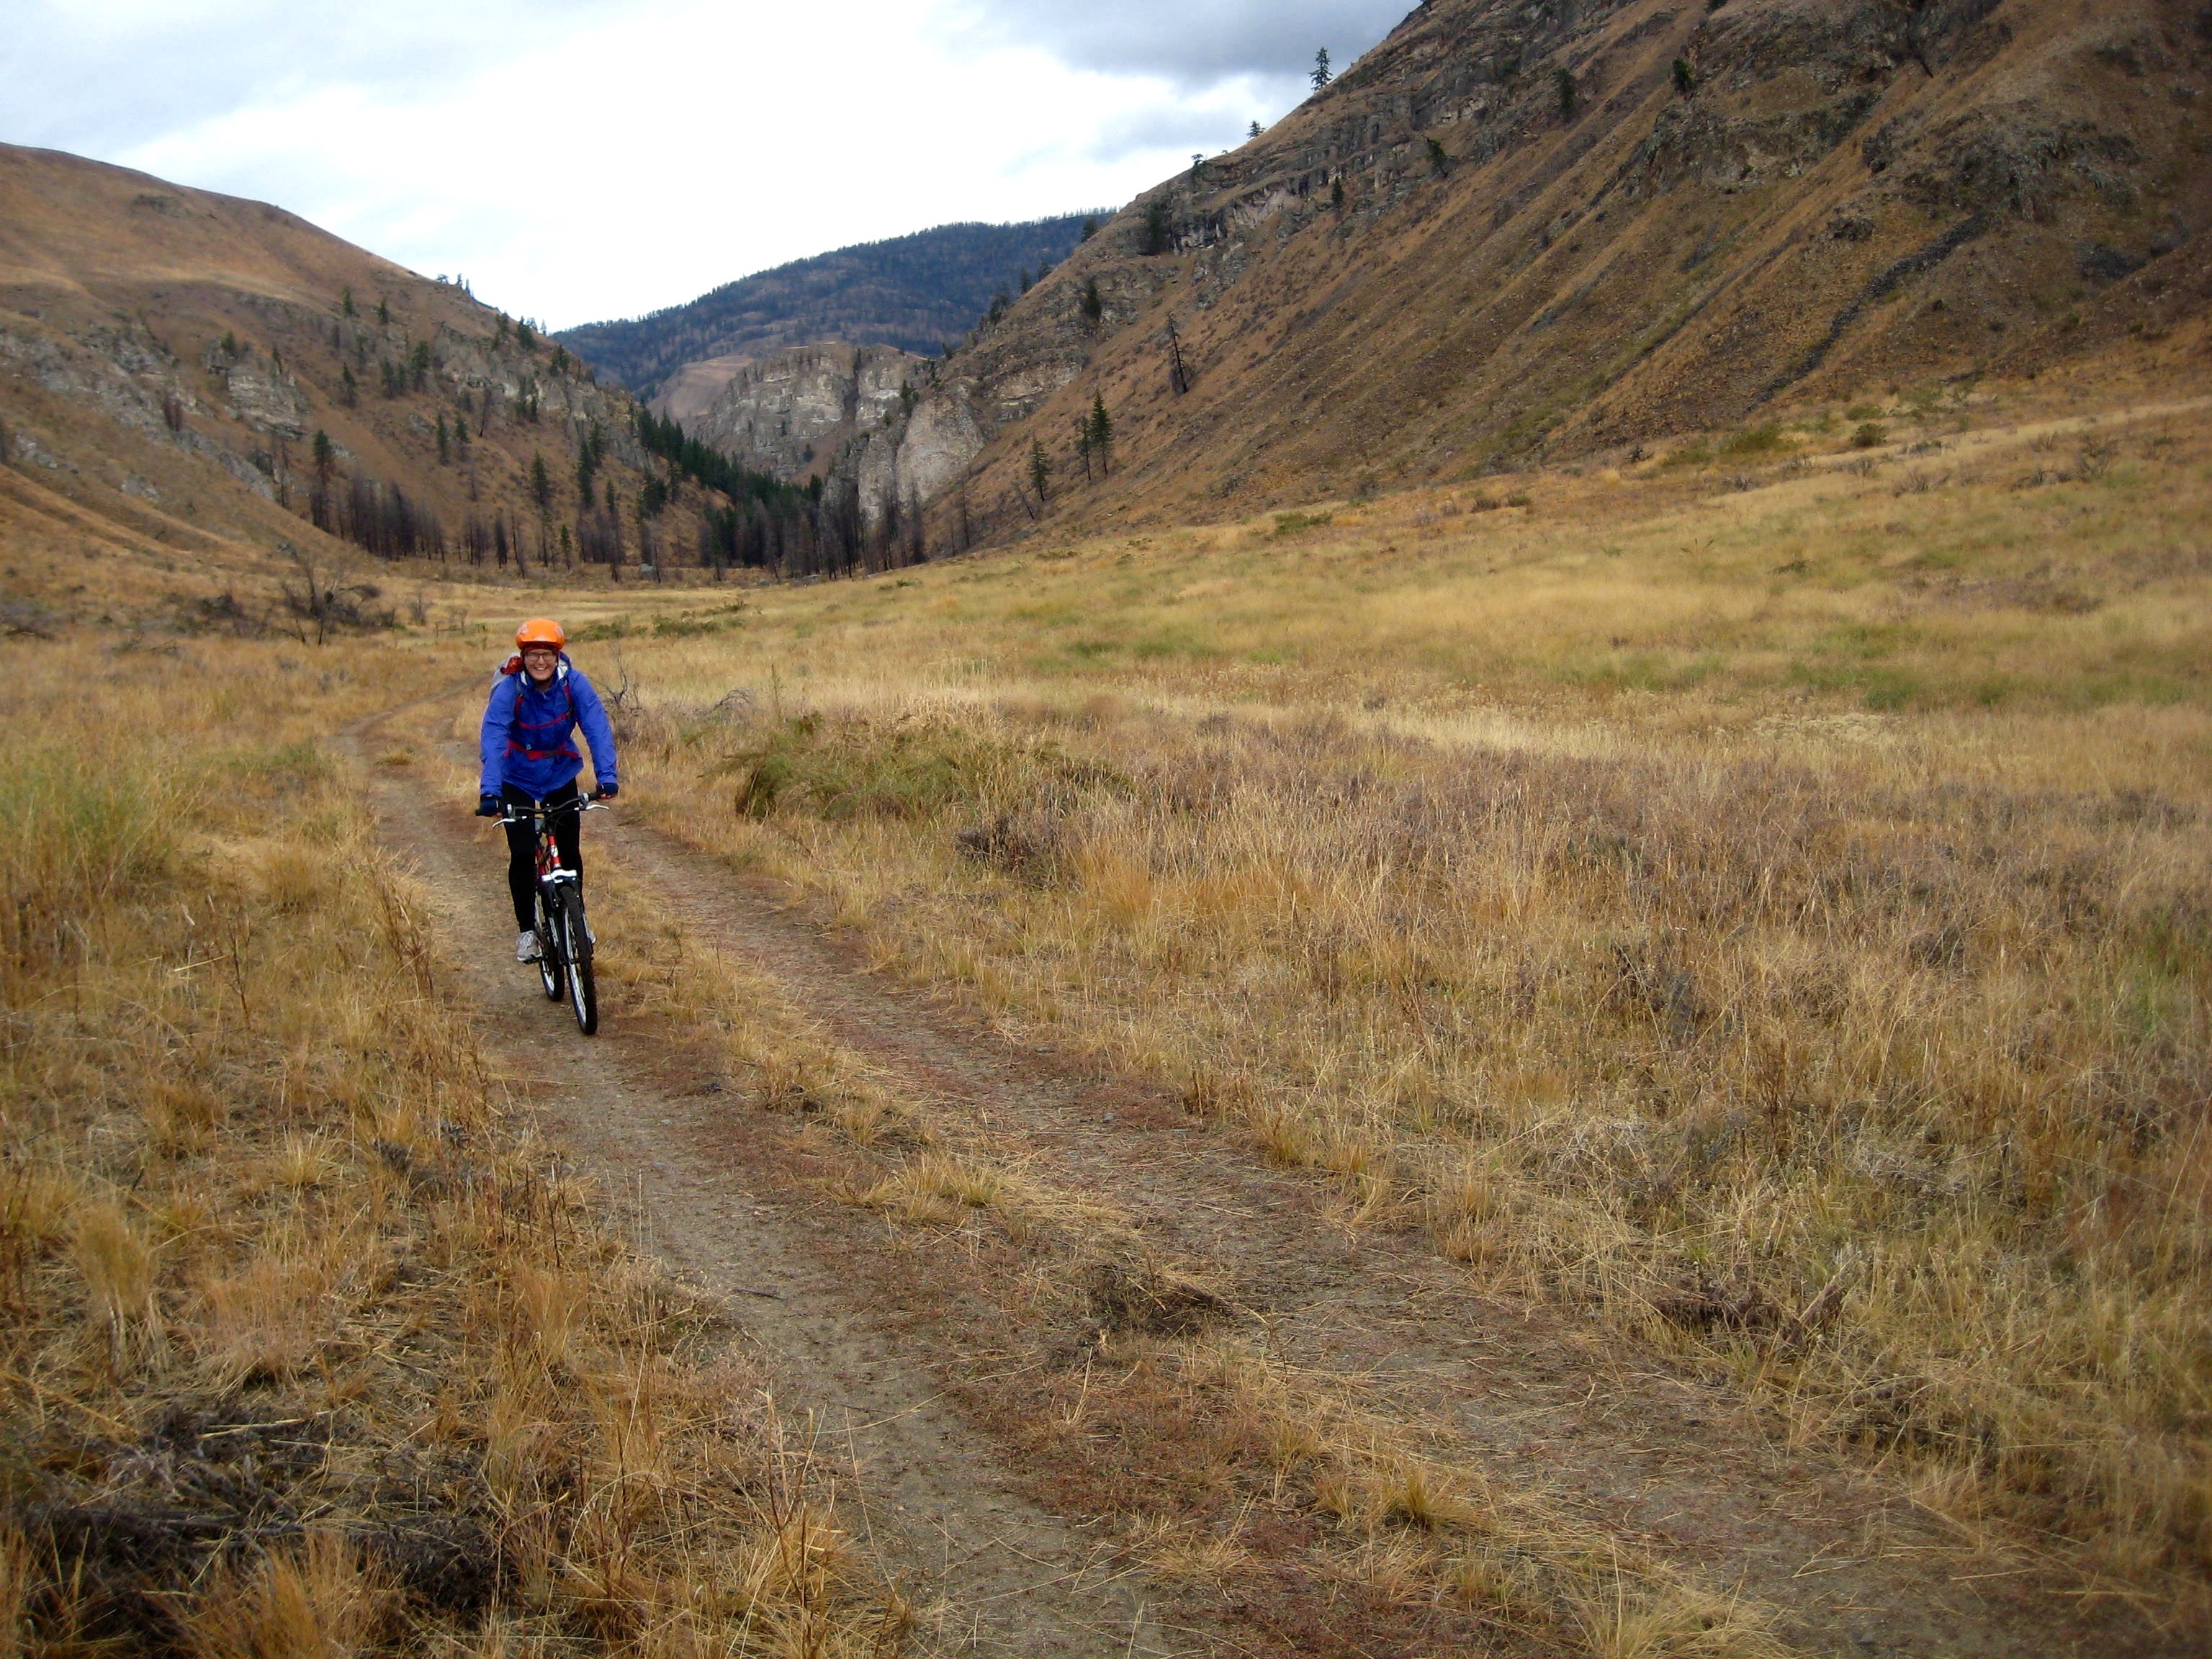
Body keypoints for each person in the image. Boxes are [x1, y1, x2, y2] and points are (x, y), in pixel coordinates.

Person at [475, 618, 619, 962]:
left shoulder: (574, 683)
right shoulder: (511, 688)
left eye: (547, 655)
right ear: (523, 657)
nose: (541, 662)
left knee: (569, 849)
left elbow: (596, 726)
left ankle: (578, 919)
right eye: (534, 655)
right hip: (516, 775)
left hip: (558, 770)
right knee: (523, 852)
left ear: (558, 656)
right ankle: (527, 932)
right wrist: (490, 791)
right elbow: (494, 737)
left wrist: (607, 776)